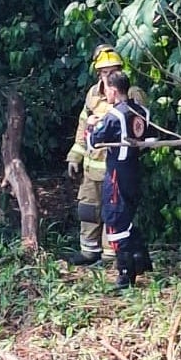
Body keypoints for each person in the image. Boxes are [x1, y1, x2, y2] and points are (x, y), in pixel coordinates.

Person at [64, 45, 145, 265]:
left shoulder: (132, 94)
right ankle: (89, 251)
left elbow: (139, 128)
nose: (108, 75)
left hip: (116, 168)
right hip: (92, 167)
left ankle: (111, 256)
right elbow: (83, 124)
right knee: (88, 209)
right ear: (98, 73)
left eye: (113, 70)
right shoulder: (92, 94)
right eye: (104, 71)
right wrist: (75, 156)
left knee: (114, 213)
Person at [87, 71, 153, 288]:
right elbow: (152, 137)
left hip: (118, 173)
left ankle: (126, 275)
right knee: (128, 217)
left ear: (113, 90)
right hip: (136, 171)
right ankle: (140, 261)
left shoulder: (114, 116)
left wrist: (91, 125)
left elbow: (95, 142)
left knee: (114, 220)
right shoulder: (142, 111)